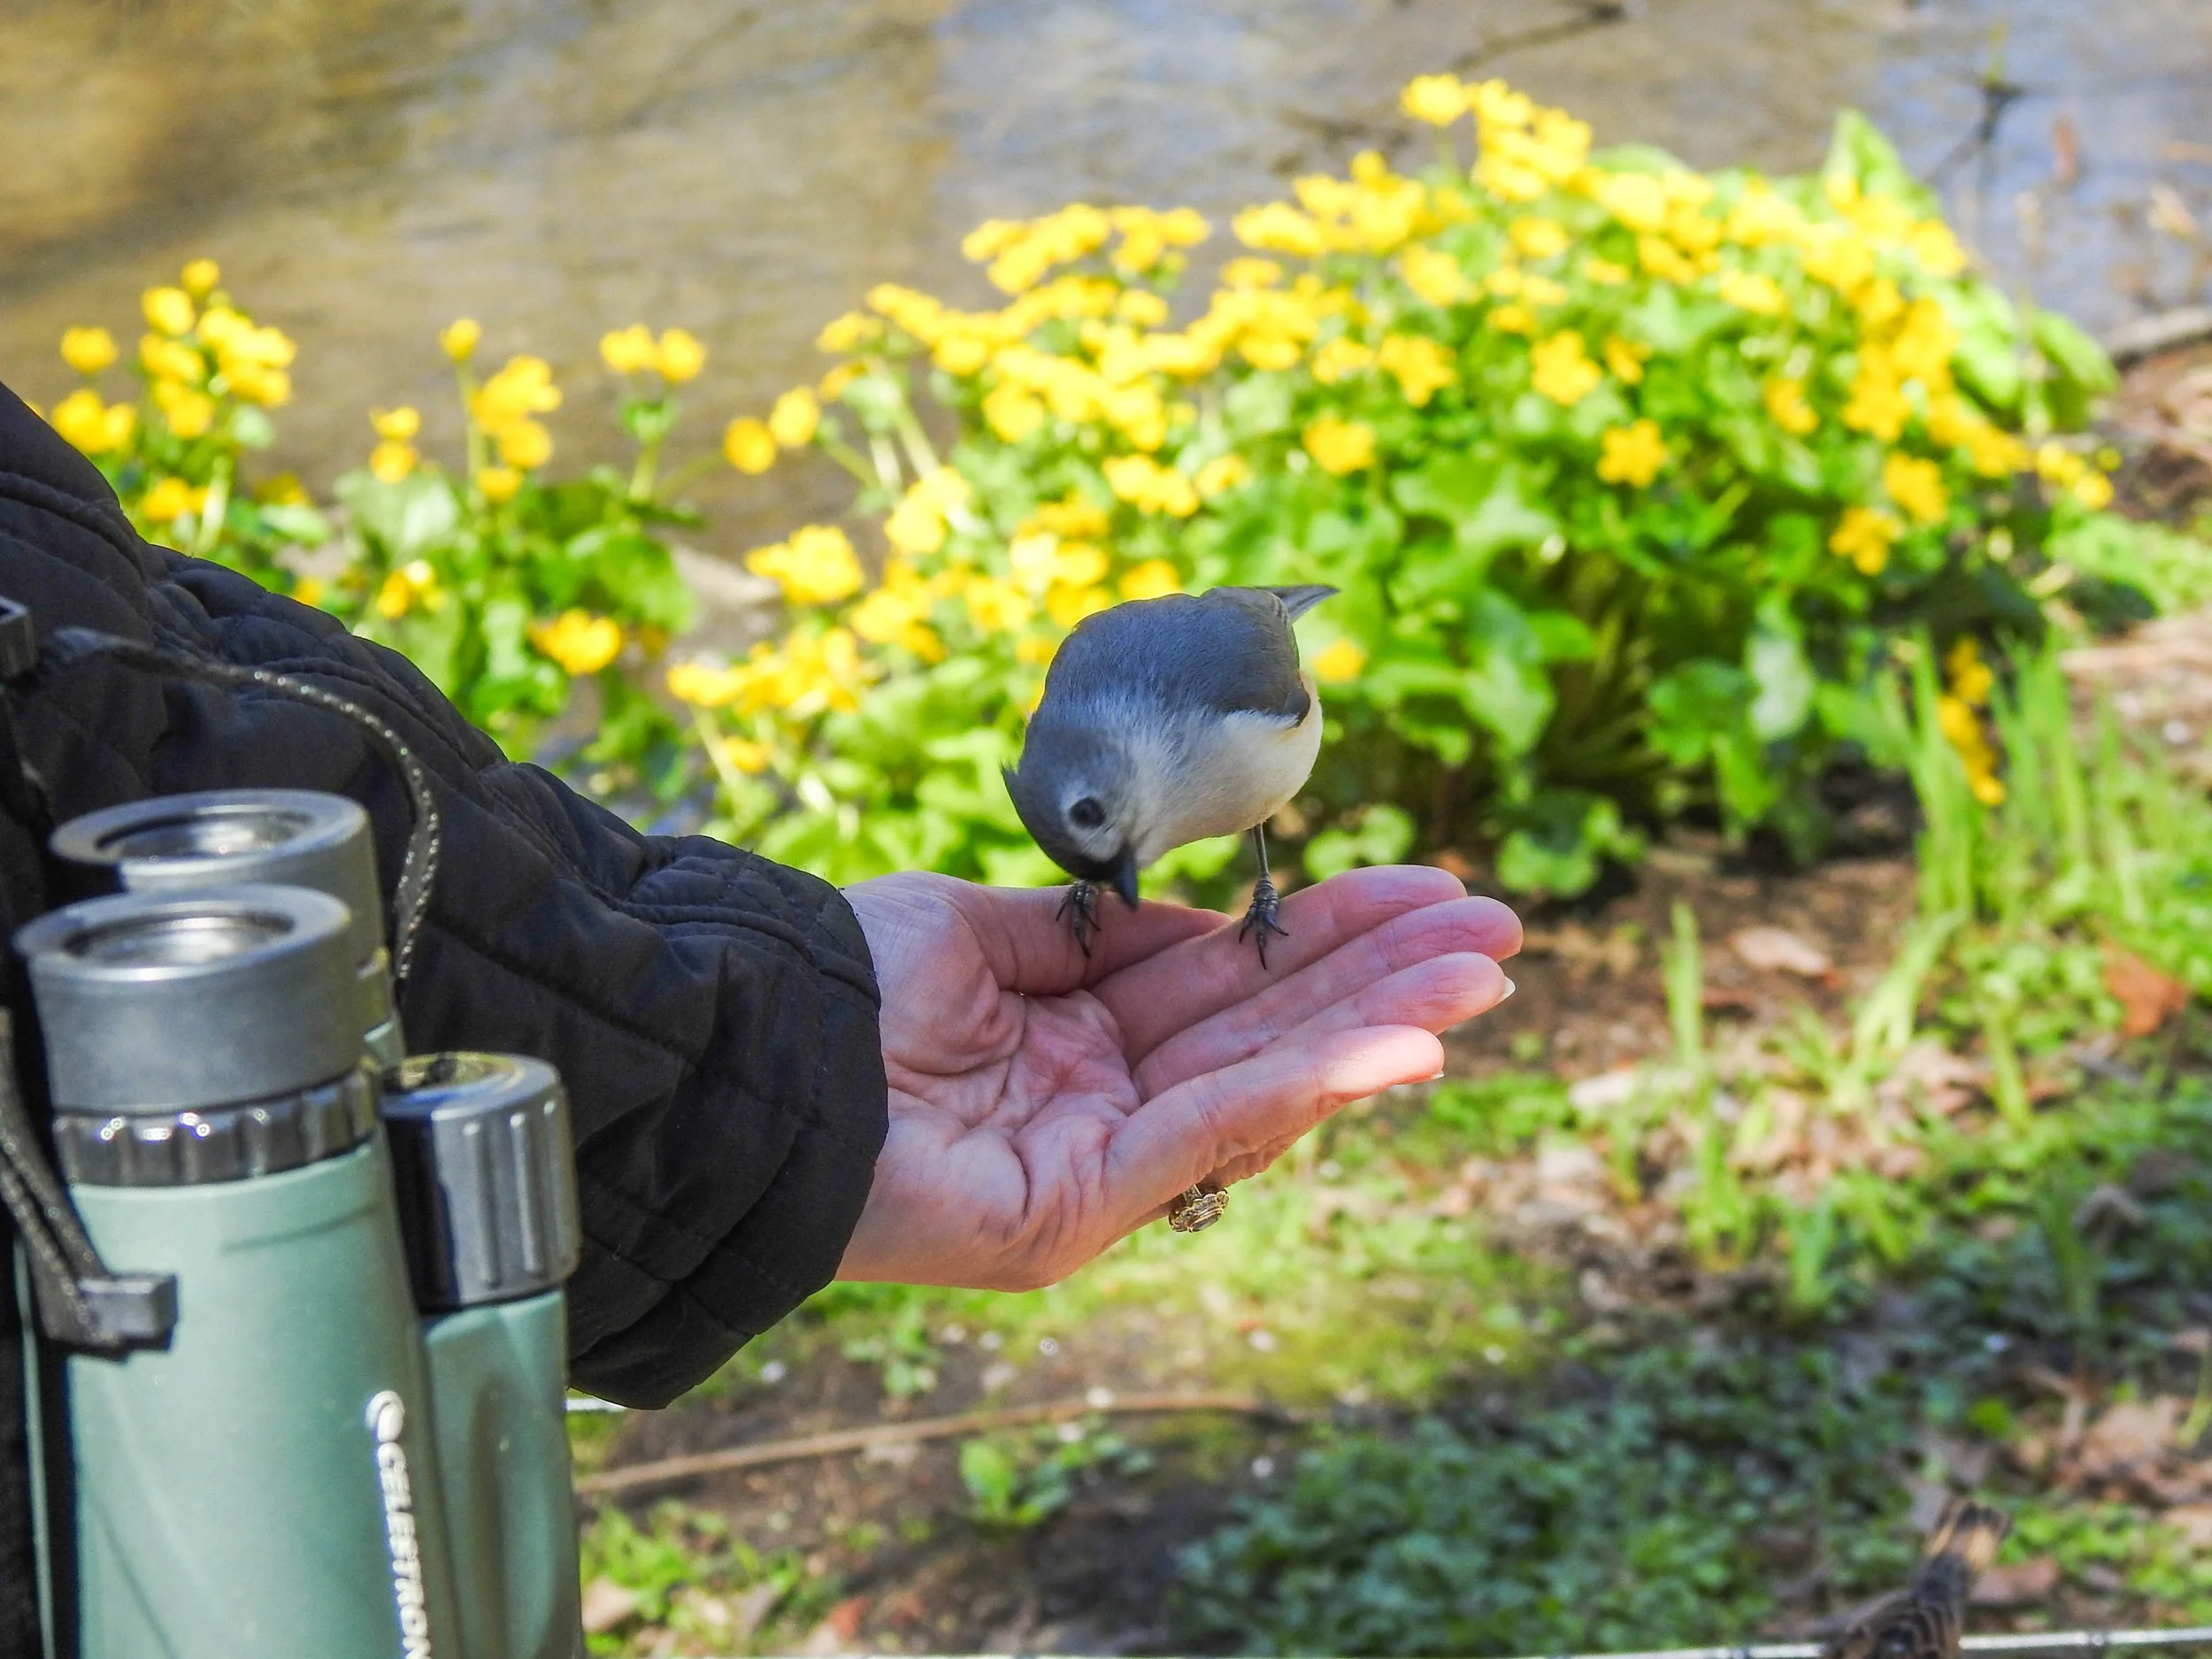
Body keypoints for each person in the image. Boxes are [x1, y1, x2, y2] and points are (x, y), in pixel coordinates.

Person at [0, 379, 1518, 1646]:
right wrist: (763, 1063)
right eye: (1098, 860)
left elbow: (121, 702)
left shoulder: (1240, 694)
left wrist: (756, 1051)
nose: (1121, 890)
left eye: (1106, 856)